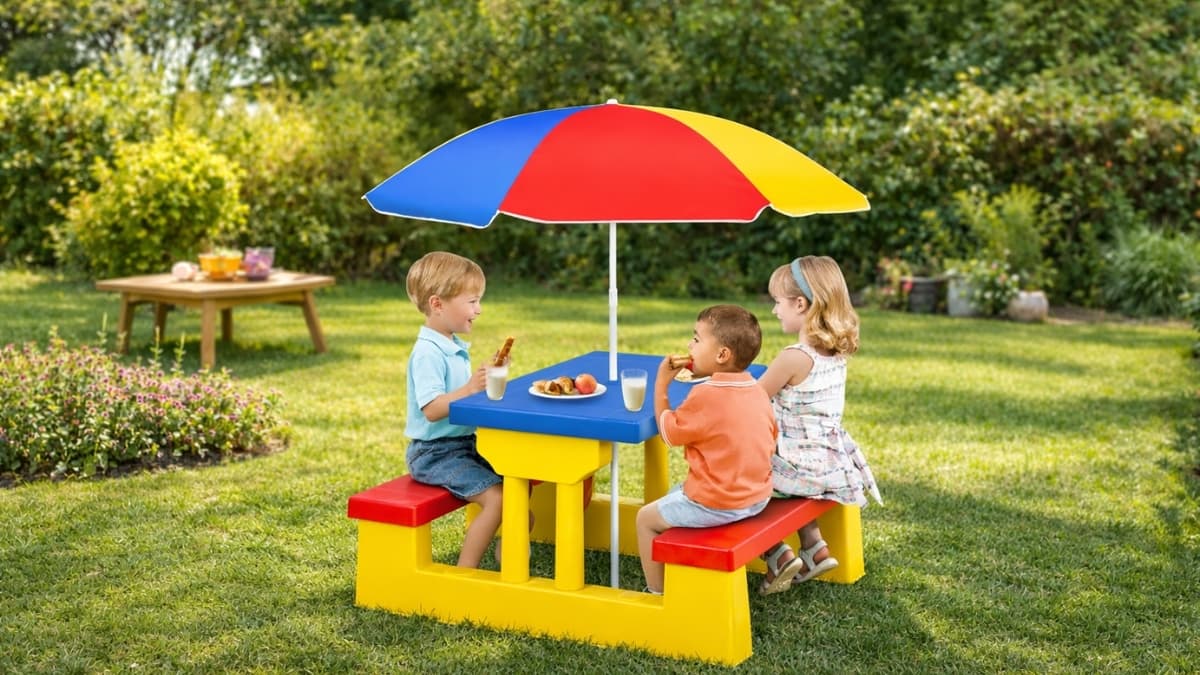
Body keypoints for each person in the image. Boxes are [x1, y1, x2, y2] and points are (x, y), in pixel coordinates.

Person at [757, 255, 883, 594]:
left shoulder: (793, 357)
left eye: (778, 302)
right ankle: (814, 547)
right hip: (830, 462)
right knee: (785, 471)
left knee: (740, 477)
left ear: (800, 304)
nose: (775, 310)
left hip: (799, 466)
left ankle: (776, 553)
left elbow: (751, 400)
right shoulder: (836, 353)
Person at [636, 304, 778, 594]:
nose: (690, 346)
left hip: (720, 503)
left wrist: (661, 385)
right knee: (674, 493)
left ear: (722, 355)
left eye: (696, 339)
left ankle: (656, 593)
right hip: (757, 496)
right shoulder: (757, 390)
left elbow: (669, 433)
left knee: (645, 519)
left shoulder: (705, 394)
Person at [403, 251, 504, 568]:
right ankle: (464, 574)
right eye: (472, 301)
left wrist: (483, 381)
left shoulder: (453, 346)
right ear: (438, 304)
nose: (479, 309)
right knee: (498, 499)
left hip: (463, 446)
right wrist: (469, 388)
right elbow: (432, 410)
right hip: (434, 453)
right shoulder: (428, 353)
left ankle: (508, 553)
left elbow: (461, 398)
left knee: (516, 484)